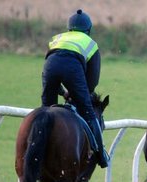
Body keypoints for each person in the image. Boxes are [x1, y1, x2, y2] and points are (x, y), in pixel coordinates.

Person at [41, 9, 109, 168]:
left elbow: (51, 68)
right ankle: (101, 155)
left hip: (49, 67)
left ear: (69, 28)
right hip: (72, 69)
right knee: (89, 113)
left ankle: (39, 149)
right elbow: (92, 82)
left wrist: (63, 92)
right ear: (88, 30)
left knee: (46, 111)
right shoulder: (91, 43)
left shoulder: (56, 39)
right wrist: (75, 94)